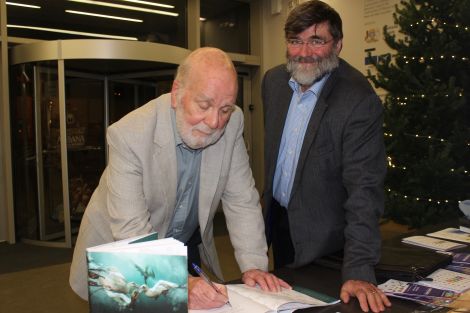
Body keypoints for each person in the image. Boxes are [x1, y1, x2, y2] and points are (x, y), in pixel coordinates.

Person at [70, 47, 289, 310]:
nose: (215, 122)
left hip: (179, 243)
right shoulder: (128, 134)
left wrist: (254, 264)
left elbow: (242, 200)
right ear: (176, 94)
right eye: (204, 105)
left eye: (225, 109)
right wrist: (181, 283)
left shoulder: (233, 123)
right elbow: (131, 232)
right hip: (122, 248)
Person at [262, 1, 391, 312]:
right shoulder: (273, 82)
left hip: (326, 240)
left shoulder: (358, 99)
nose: (304, 51)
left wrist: (359, 269)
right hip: (279, 220)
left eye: (316, 40)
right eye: (295, 40)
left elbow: (365, 190)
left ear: (338, 44)